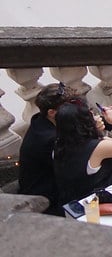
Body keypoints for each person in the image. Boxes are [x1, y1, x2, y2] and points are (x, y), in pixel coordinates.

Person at [17, 83, 71, 215]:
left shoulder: (39, 121)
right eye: (70, 108)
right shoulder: (48, 139)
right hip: (46, 203)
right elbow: (80, 160)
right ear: (52, 113)